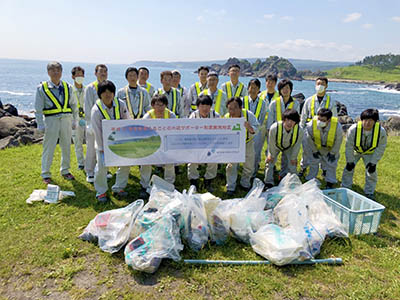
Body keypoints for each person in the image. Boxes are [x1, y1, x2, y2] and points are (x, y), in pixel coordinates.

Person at [35, 61, 78, 183]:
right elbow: (38, 108)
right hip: (51, 120)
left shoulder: (67, 87)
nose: (56, 72)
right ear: (48, 72)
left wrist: (75, 120)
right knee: (49, 147)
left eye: (58, 70)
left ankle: (65, 170)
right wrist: (40, 124)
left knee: (66, 146)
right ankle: (45, 173)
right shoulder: (42, 88)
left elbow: (74, 105)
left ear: (61, 72)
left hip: (66, 120)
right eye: (53, 70)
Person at [91, 80, 131, 202]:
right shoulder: (96, 110)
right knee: (102, 167)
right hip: (103, 143)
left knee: (125, 164)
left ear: (114, 93)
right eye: (104, 92)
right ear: (100, 94)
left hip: (120, 141)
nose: (108, 94)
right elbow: (97, 131)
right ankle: (101, 191)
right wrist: (103, 149)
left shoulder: (121, 104)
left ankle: (119, 187)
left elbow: (127, 121)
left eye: (110, 92)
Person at [341, 109, 387, 200]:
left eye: (370, 121)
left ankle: (369, 192)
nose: (367, 123)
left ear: (375, 121)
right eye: (365, 120)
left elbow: (381, 147)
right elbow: (349, 146)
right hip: (356, 151)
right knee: (348, 168)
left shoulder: (381, 131)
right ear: (361, 120)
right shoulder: (353, 129)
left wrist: (373, 162)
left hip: (370, 153)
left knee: (371, 172)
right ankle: (345, 187)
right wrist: (350, 161)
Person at [299, 77, 338, 176]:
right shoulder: (309, 100)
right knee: (306, 151)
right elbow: (303, 116)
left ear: (326, 86)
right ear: (315, 85)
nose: (320, 86)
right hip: (310, 130)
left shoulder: (331, 101)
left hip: (325, 130)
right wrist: (301, 130)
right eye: (318, 83)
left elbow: (334, 118)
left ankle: (324, 169)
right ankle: (303, 167)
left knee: (324, 151)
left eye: (323, 84)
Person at [140, 94, 177, 198]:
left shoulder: (171, 115)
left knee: (170, 161)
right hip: (151, 145)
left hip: (166, 144)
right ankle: (144, 185)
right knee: (145, 162)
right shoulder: (148, 116)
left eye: (162, 105)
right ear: (152, 105)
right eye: (157, 105)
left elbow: (176, 130)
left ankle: (169, 184)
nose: (160, 107)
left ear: (166, 105)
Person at [224, 97, 259, 196]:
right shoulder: (227, 117)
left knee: (249, 165)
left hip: (247, 142)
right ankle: (230, 186)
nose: (232, 111)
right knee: (231, 166)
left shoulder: (248, 115)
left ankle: (245, 183)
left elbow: (257, 128)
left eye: (235, 108)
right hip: (233, 144)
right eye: (230, 108)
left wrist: (250, 128)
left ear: (240, 107)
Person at [187, 95, 220, 192]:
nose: (205, 108)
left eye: (207, 106)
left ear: (211, 106)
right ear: (198, 106)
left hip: (211, 144)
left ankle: (208, 181)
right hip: (196, 143)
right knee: (192, 161)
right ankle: (194, 181)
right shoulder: (193, 115)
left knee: (213, 160)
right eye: (202, 106)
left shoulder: (215, 115)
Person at [303, 108, 343, 188]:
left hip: (329, 148)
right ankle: (310, 180)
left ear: (329, 120)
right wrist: (314, 151)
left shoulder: (337, 126)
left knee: (331, 164)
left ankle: (330, 182)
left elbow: (338, 141)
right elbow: (308, 139)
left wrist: (333, 153)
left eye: (323, 120)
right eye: (319, 119)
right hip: (315, 146)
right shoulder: (311, 125)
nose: (320, 121)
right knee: (313, 162)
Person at [264, 109, 304, 189]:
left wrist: (293, 158)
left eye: (293, 121)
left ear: (296, 122)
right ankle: (268, 182)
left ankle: (286, 179)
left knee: (292, 164)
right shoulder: (274, 128)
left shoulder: (300, 130)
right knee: (270, 162)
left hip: (290, 146)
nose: (290, 123)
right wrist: (271, 155)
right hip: (275, 145)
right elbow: (271, 142)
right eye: (288, 120)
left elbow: (297, 145)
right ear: (283, 120)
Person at [84, 64, 108, 183]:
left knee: (104, 148)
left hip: (106, 124)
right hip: (93, 123)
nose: (103, 73)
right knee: (91, 149)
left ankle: (104, 170)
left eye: (105, 71)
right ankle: (90, 171)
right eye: (100, 71)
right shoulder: (90, 87)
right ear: (95, 73)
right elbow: (87, 107)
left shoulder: (109, 86)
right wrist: (89, 123)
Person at [243, 79, 268, 176]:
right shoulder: (242, 100)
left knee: (256, 152)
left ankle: (253, 172)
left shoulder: (263, 103)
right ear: (248, 88)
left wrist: (254, 129)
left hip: (256, 131)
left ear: (259, 90)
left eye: (255, 88)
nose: (253, 90)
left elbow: (261, 119)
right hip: (242, 131)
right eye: (251, 87)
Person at [71, 66, 86, 170]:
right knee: (78, 142)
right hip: (75, 119)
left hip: (87, 119)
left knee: (90, 141)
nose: (80, 77)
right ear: (73, 76)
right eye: (77, 74)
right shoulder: (70, 90)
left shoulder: (87, 89)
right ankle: (81, 162)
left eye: (81, 75)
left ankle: (91, 162)